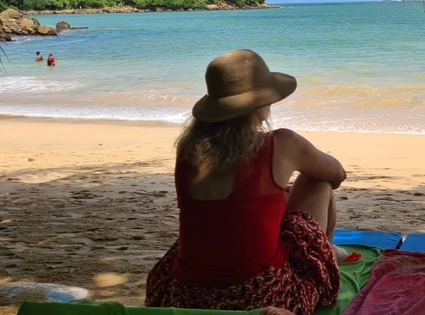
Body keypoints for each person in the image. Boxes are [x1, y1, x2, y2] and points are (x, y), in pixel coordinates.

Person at [145, 49, 352, 313]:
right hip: (262, 296)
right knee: (317, 181)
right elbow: (336, 174)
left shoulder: (188, 151)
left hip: (186, 295)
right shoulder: (281, 143)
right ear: (261, 104)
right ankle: (327, 255)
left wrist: (276, 194)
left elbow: (231, 210)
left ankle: (328, 250)